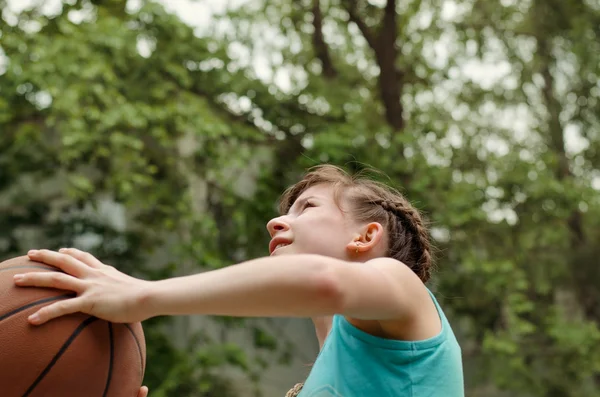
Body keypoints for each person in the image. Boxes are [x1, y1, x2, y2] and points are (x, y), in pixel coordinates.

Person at [14, 164, 464, 396]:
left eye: (306, 208)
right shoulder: (323, 374)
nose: (275, 222)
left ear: (366, 236)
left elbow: (325, 282)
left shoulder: (403, 291)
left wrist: (143, 296)